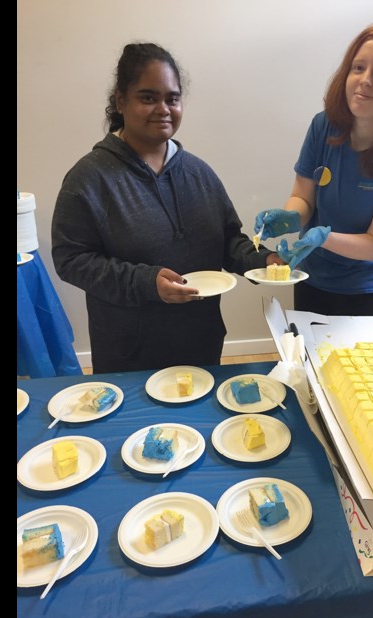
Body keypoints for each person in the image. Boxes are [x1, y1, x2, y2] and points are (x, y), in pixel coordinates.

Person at [52, 43, 283, 373]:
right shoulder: (90, 178)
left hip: (201, 344)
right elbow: (71, 260)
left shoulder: (199, 173)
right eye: (148, 97)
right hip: (128, 355)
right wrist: (146, 283)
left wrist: (267, 261)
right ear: (121, 100)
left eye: (172, 98)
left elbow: (231, 241)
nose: (163, 108)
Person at [256, 23, 373, 316]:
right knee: (308, 355)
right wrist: (292, 218)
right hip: (311, 273)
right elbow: (303, 196)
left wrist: (323, 238)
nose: (365, 80)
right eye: (358, 67)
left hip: (366, 287)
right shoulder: (323, 126)